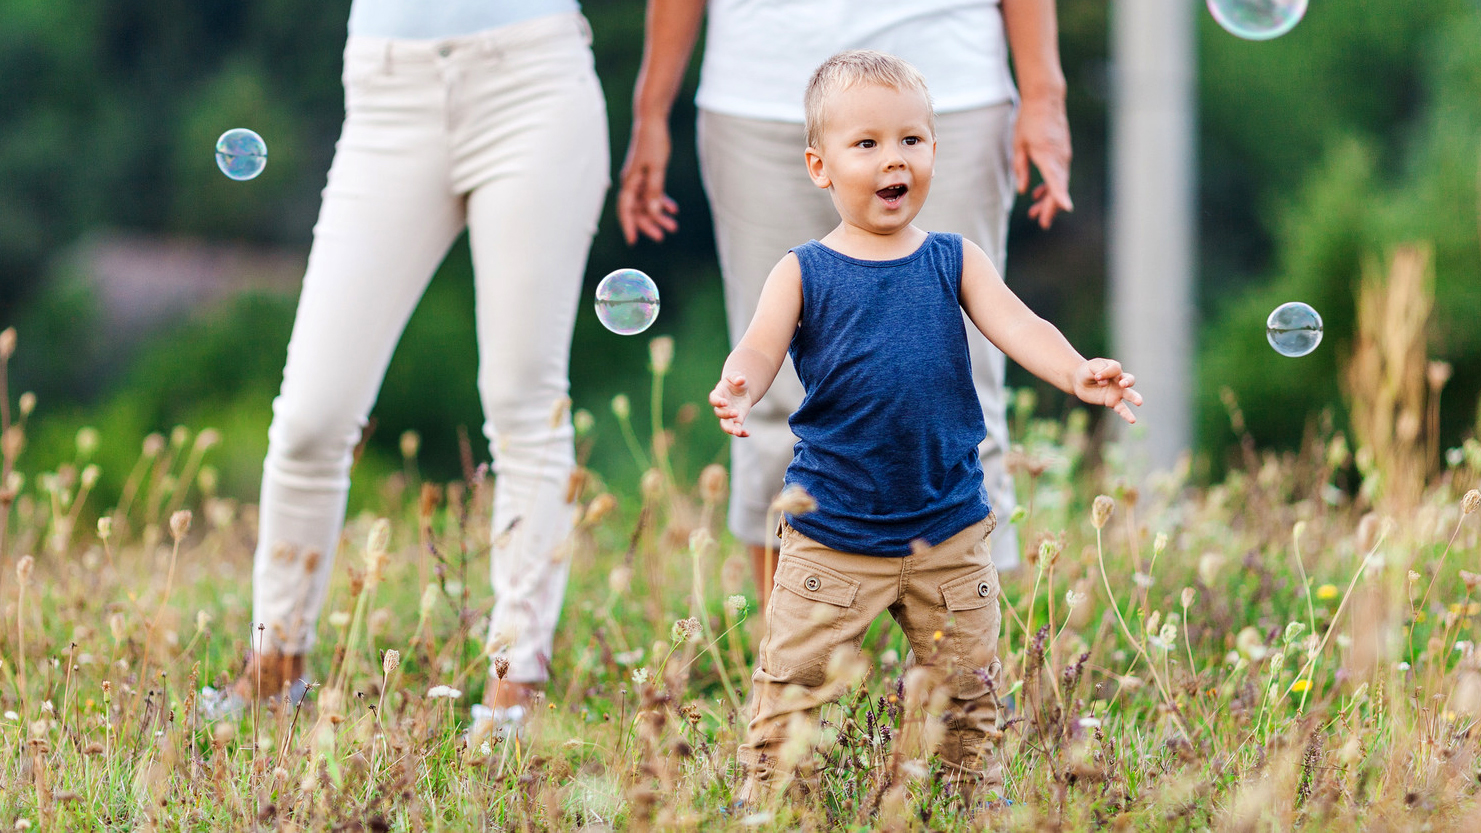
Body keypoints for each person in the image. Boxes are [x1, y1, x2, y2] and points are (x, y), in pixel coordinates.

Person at [709, 51, 1139, 801]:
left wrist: (1073, 369)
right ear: (820, 166)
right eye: (866, 144)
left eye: (910, 139)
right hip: (833, 528)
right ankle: (772, 801)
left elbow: (1019, 323)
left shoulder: (953, 258)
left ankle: (974, 797)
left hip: (947, 523)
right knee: (794, 684)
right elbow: (759, 342)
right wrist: (740, 382)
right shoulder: (804, 270)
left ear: (933, 152)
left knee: (969, 689)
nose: (892, 159)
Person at [231, 0, 609, 725]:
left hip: (534, 77)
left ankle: (515, 680)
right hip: (385, 89)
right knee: (311, 416)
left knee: (523, 396)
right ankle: (275, 663)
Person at [621, 0, 1074, 601]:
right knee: (771, 406)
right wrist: (651, 108)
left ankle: (969, 665)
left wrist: (1044, 94)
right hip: (759, 92)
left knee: (961, 394)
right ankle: (790, 660)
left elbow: (1018, 329)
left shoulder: (930, 160)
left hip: (951, 80)